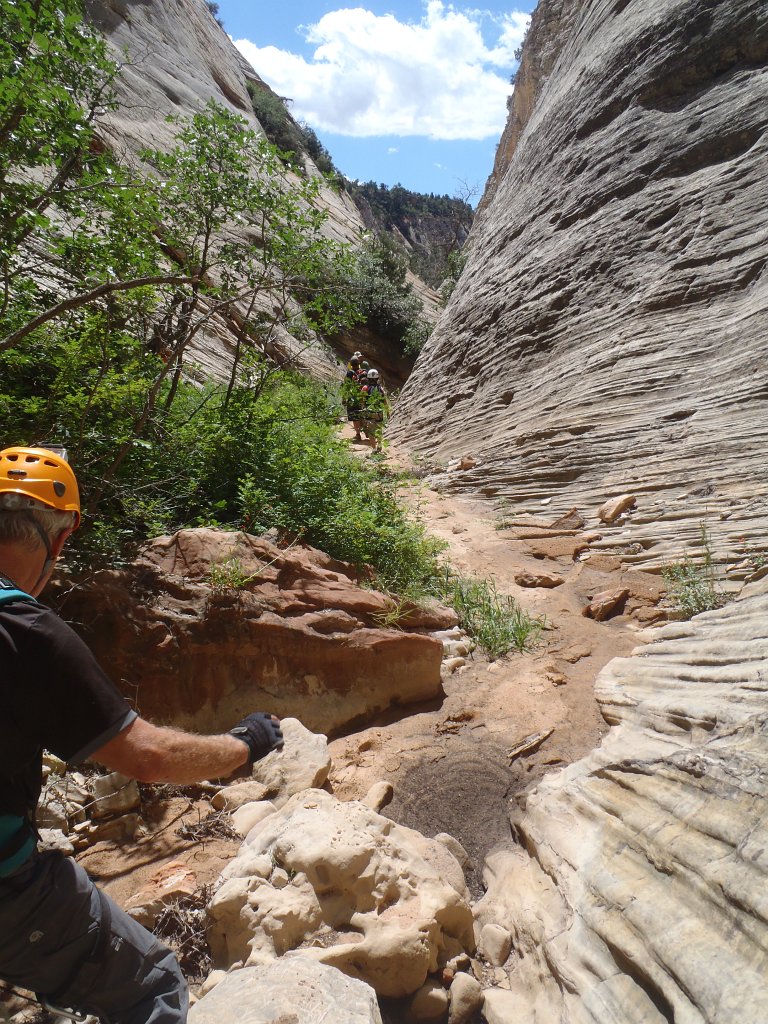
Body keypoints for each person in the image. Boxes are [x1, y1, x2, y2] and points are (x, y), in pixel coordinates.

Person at [0, 446, 284, 1024]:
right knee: (150, 983)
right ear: (56, 541)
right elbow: (145, 757)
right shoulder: (26, 631)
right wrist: (246, 743)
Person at [360, 369, 389, 454]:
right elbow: (385, 401)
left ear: (368, 378)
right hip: (379, 412)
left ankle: (374, 449)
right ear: (377, 378)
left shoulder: (365, 388)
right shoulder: (381, 388)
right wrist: (387, 412)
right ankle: (379, 445)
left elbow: (362, 400)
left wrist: (362, 409)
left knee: (371, 431)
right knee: (379, 428)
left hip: (369, 411)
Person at [343, 357, 366, 441]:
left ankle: (358, 434)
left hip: (353, 397)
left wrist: (344, 398)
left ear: (351, 365)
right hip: (363, 396)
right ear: (358, 363)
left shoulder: (349, 374)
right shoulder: (364, 372)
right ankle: (367, 430)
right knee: (363, 413)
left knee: (355, 417)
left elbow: (346, 387)